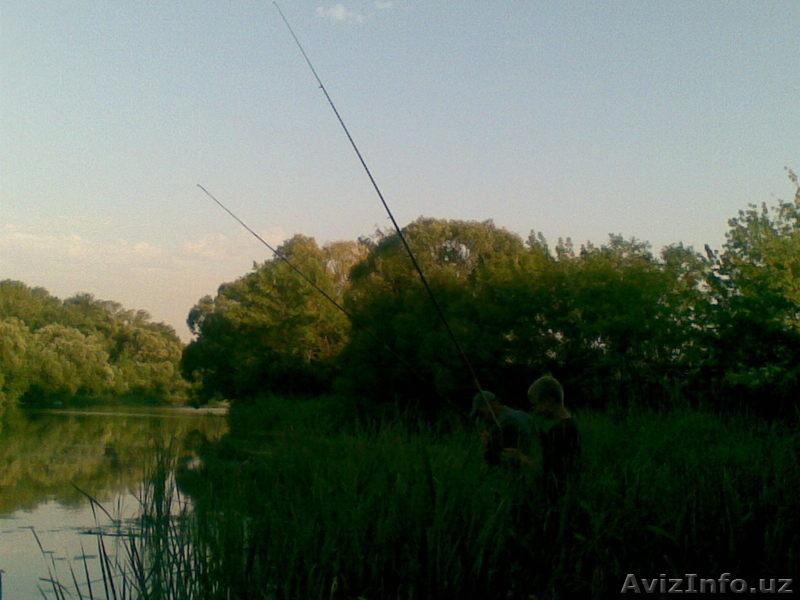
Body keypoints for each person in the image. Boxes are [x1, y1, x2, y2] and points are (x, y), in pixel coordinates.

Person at [527, 375, 580, 501]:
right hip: (566, 494)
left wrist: (520, 457)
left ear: (549, 400)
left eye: (536, 404)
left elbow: (548, 470)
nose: (536, 410)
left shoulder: (560, 431)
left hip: (557, 498)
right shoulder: (571, 424)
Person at [472, 390, 535, 469]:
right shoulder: (521, 414)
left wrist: (489, 441)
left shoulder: (504, 422)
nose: (482, 418)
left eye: (481, 413)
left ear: (491, 405)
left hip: (523, 461)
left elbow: (498, 451)